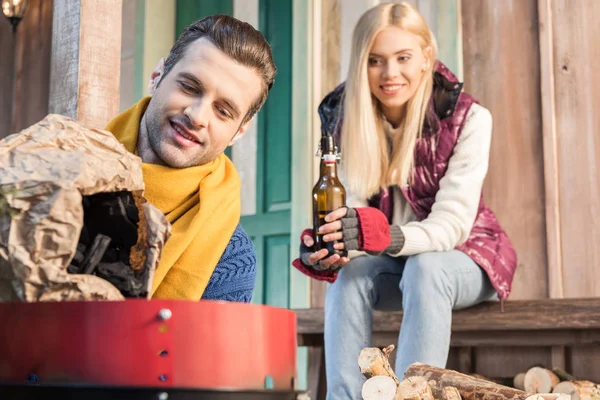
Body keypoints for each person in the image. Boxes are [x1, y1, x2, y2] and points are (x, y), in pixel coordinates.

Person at [292, 2, 517, 398]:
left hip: (467, 257)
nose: (390, 73)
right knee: (349, 279)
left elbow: (451, 225)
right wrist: (332, 249)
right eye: (375, 60)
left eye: (403, 58)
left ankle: (414, 396)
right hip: (395, 266)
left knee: (426, 269)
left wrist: (387, 237)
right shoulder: (344, 118)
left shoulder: (469, 119)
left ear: (426, 58)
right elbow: (355, 216)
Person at [105, 15, 277, 302]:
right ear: (157, 77)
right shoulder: (63, 165)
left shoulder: (231, 256)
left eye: (223, 111)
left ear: (238, 131)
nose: (197, 116)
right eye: (189, 87)